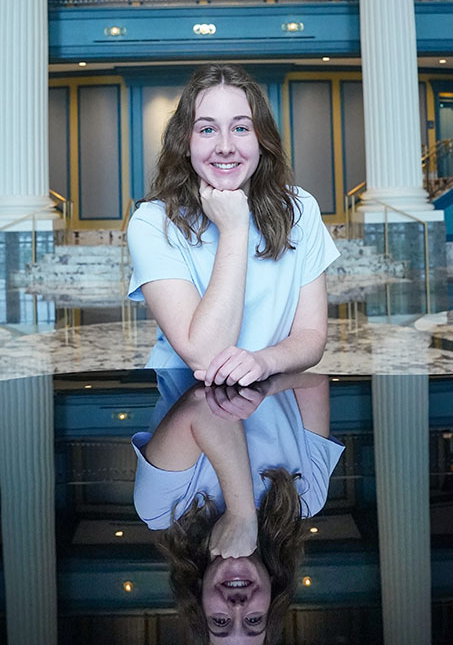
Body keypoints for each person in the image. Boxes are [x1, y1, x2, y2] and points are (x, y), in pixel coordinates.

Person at [127, 63, 340, 385]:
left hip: (270, 396)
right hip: (186, 405)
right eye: (207, 129)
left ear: (261, 140)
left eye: (241, 128)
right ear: (185, 142)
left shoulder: (300, 209)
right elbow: (205, 355)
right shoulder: (153, 222)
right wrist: (234, 229)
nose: (225, 146)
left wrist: (263, 361)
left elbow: (311, 335)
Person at [132, 369, 344, 645]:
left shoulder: (163, 508)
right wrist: (266, 385)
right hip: (282, 328)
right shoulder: (307, 497)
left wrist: (241, 514)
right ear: (273, 597)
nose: (237, 606)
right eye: (253, 620)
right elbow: (316, 376)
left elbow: (203, 404)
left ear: (198, 597)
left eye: (220, 622)